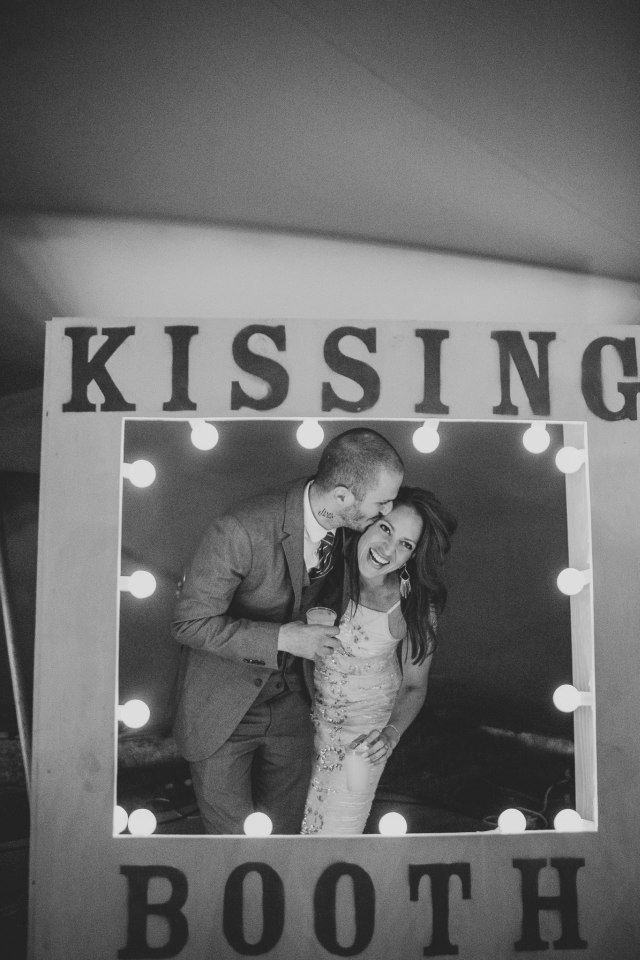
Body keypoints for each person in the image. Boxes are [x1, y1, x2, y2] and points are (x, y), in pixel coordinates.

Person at [171, 428, 404, 834]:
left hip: (296, 711)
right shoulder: (239, 529)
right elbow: (189, 623)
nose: (386, 513)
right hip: (223, 710)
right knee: (232, 846)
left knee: (285, 842)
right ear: (343, 497)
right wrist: (283, 639)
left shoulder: (355, 535)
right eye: (381, 503)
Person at [301, 486, 456, 835]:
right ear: (368, 523)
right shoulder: (322, 570)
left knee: (336, 830)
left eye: (406, 544)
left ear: (413, 556)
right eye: (386, 529)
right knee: (290, 826)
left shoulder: (415, 603)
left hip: (365, 736)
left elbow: (415, 684)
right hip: (302, 723)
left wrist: (389, 736)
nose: (388, 549)